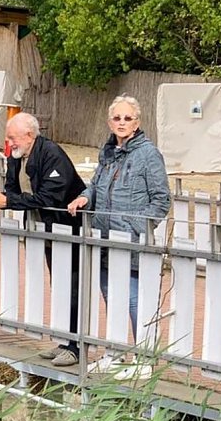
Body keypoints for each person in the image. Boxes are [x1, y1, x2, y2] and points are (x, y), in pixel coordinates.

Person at [68, 95, 170, 380]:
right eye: (117, 118)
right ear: (109, 121)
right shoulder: (108, 152)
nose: (122, 123)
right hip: (104, 238)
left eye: (128, 118)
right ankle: (113, 353)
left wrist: (133, 225)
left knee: (136, 300)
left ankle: (145, 358)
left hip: (131, 241)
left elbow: (161, 201)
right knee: (111, 297)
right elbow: (96, 186)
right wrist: (84, 198)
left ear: (137, 122)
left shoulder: (148, 154)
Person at [0, 112, 86, 367]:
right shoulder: (15, 157)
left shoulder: (52, 154)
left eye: (13, 138)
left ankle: (76, 346)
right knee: (59, 287)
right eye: (8, 139)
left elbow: (49, 197)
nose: (9, 143)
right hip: (46, 232)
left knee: (73, 287)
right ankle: (64, 340)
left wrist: (8, 201)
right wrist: (2, 199)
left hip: (68, 230)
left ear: (29, 136)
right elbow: (13, 190)